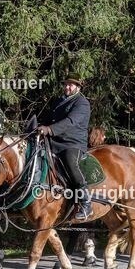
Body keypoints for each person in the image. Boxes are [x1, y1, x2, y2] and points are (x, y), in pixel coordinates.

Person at [38, 74, 93, 220]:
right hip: (54, 140)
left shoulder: (82, 103)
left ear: (78, 87)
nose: (67, 87)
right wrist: (38, 127)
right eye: (66, 84)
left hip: (72, 143)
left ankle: (86, 203)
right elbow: (48, 119)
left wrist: (49, 130)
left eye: (71, 85)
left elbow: (70, 121)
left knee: (70, 162)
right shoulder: (58, 101)